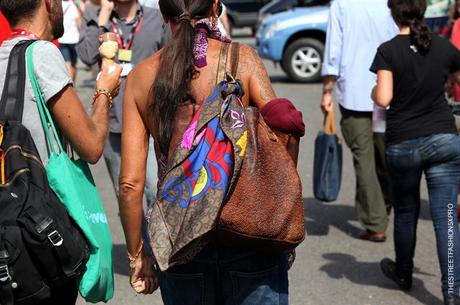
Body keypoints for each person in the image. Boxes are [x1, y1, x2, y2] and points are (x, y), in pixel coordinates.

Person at [118, 0, 305, 303]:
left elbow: (130, 183)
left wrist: (137, 255)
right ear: (216, 7)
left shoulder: (142, 76)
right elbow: (279, 137)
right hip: (249, 234)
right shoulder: (241, 59)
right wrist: (280, 219)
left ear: (164, 15)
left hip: (180, 239)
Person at [0, 0, 121, 304]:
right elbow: (91, 146)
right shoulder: (41, 53)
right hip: (40, 237)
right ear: (48, 4)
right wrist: (105, 90)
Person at [371, 0, 460, 304]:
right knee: (446, 217)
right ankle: (452, 291)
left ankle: (404, 272)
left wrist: (373, 90)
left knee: (406, 212)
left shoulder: (388, 50)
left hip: (404, 142)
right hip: (444, 138)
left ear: (393, 14)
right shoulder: (446, 47)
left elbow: (383, 98)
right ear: (422, 11)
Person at [77, 0, 169, 206]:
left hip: (150, 121)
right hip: (113, 121)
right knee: (126, 196)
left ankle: (157, 239)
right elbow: (87, 55)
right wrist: (103, 19)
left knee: (156, 190)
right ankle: (137, 240)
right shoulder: (96, 19)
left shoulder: (157, 19)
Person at [320, 0, 398, 242]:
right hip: (387, 90)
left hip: (354, 91)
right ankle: (382, 205)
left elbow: (334, 46)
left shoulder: (342, 3)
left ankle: (375, 220)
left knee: (363, 157)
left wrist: (327, 88)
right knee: (384, 153)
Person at [59, 0, 86, 81]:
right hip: (74, 40)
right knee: (73, 65)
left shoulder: (59, 5)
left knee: (68, 64)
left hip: (63, 39)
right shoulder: (74, 5)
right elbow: (79, 24)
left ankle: (70, 86)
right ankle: (72, 86)